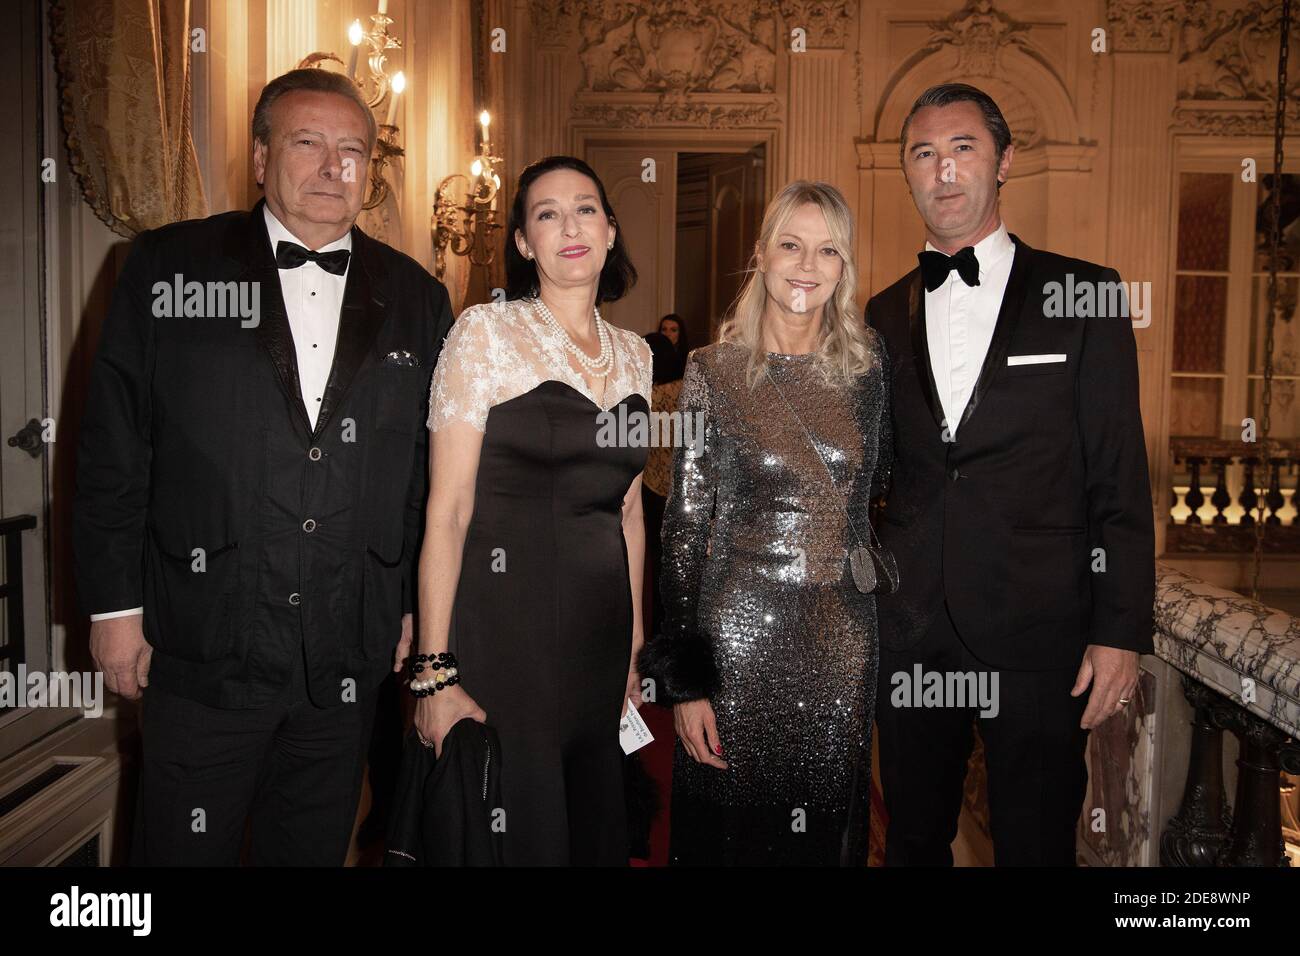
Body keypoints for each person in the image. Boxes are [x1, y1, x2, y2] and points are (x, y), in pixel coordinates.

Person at [73, 68, 455, 865]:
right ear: (259, 157)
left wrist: (418, 606)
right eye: (307, 144)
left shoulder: (418, 296)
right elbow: (114, 448)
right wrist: (113, 608)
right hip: (200, 640)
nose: (333, 168)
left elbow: (428, 472)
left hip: (349, 650)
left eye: (353, 151)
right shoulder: (166, 266)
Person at [867, 83, 1155, 866]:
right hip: (913, 629)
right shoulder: (879, 315)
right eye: (924, 155)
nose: (944, 171)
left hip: (1041, 632)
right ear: (908, 173)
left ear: (1005, 163)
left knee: (1035, 843)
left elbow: (1119, 478)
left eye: (963, 149)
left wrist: (1120, 632)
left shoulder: (1085, 294)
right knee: (914, 840)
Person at [642, 181, 890, 865]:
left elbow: (884, 493)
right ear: (761, 255)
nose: (807, 265)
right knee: (730, 833)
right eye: (791, 245)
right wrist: (686, 682)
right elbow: (685, 531)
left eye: (827, 250)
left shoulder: (870, 370)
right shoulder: (711, 373)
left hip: (842, 642)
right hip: (737, 643)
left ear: (844, 267)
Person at [416, 155, 653, 865]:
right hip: (504, 632)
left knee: (586, 827)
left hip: (598, 639)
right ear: (523, 242)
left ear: (611, 231)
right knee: (519, 829)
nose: (569, 226)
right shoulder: (484, 335)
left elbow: (630, 513)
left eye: (586, 208)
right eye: (547, 214)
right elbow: (448, 512)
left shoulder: (636, 354)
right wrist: (434, 672)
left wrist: (636, 643)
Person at [640, 330, 684, 638]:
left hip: (651, 489)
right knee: (680, 562)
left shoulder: (647, 397)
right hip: (683, 490)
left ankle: (656, 629)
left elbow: (636, 443)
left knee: (655, 564)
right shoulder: (686, 390)